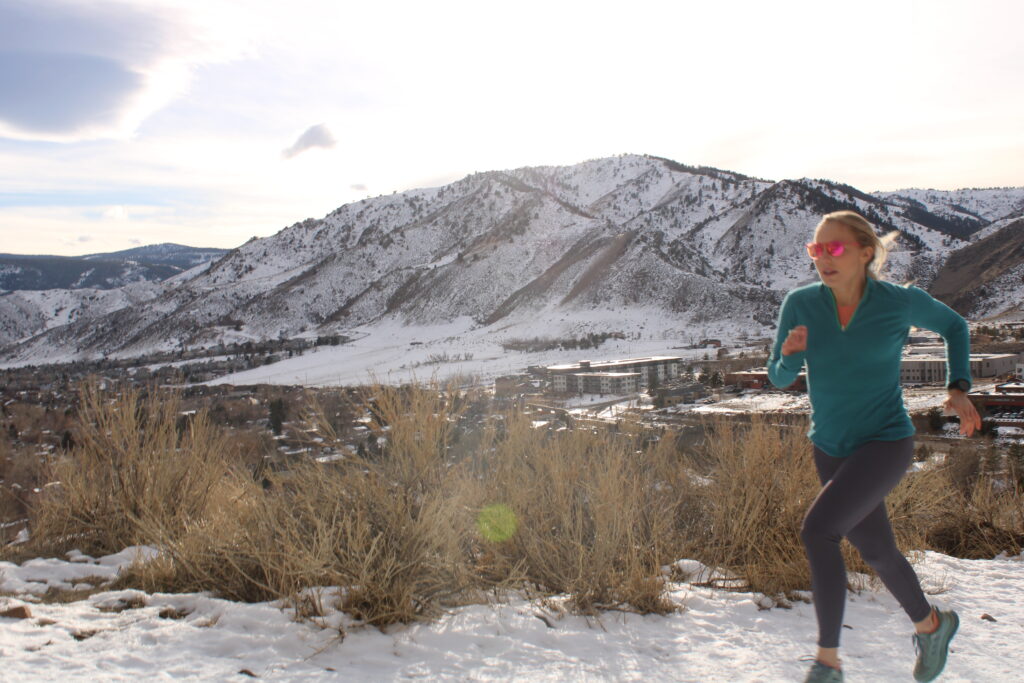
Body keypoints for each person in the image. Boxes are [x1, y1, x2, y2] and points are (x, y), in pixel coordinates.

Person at [767, 210, 981, 683]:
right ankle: (932, 626)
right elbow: (778, 378)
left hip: (885, 440)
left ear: (866, 253)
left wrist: (957, 386)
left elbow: (955, 328)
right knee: (879, 553)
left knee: (818, 531)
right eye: (815, 249)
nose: (823, 257)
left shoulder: (898, 303)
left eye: (835, 248)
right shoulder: (800, 304)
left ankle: (828, 662)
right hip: (830, 446)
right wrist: (788, 356)